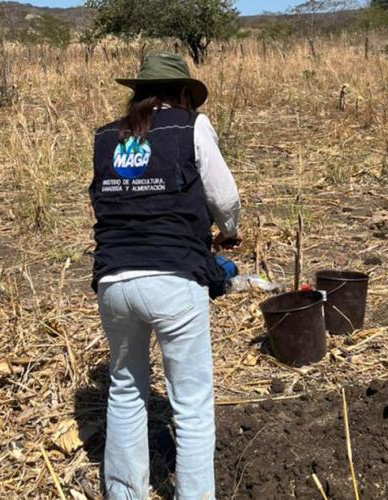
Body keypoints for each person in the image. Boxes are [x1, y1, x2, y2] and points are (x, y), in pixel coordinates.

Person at [89, 52, 242, 499]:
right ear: (180, 95)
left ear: (139, 92)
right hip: (174, 279)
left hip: (114, 281)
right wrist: (228, 232)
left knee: (125, 387)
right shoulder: (191, 126)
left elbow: (105, 202)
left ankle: (123, 493)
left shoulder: (106, 137)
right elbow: (224, 197)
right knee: (191, 405)